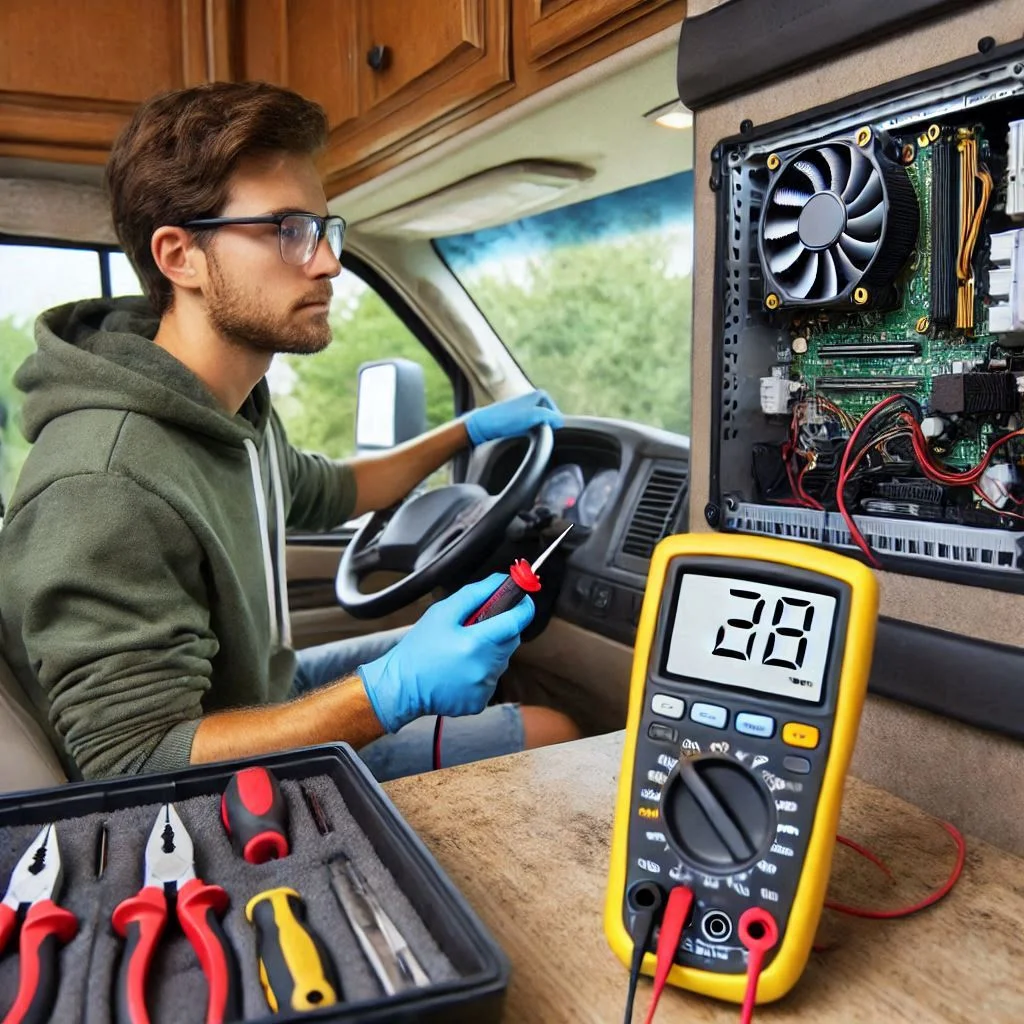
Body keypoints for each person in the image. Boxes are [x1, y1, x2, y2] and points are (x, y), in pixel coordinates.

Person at [0, 81, 580, 783]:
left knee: (493, 660)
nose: (329, 262)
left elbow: (333, 490)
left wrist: (469, 430)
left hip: (260, 695)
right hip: (208, 792)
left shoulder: (227, 413)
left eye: (324, 230)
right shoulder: (102, 482)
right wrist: (387, 694)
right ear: (180, 255)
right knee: (552, 732)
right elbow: (134, 763)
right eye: (287, 230)